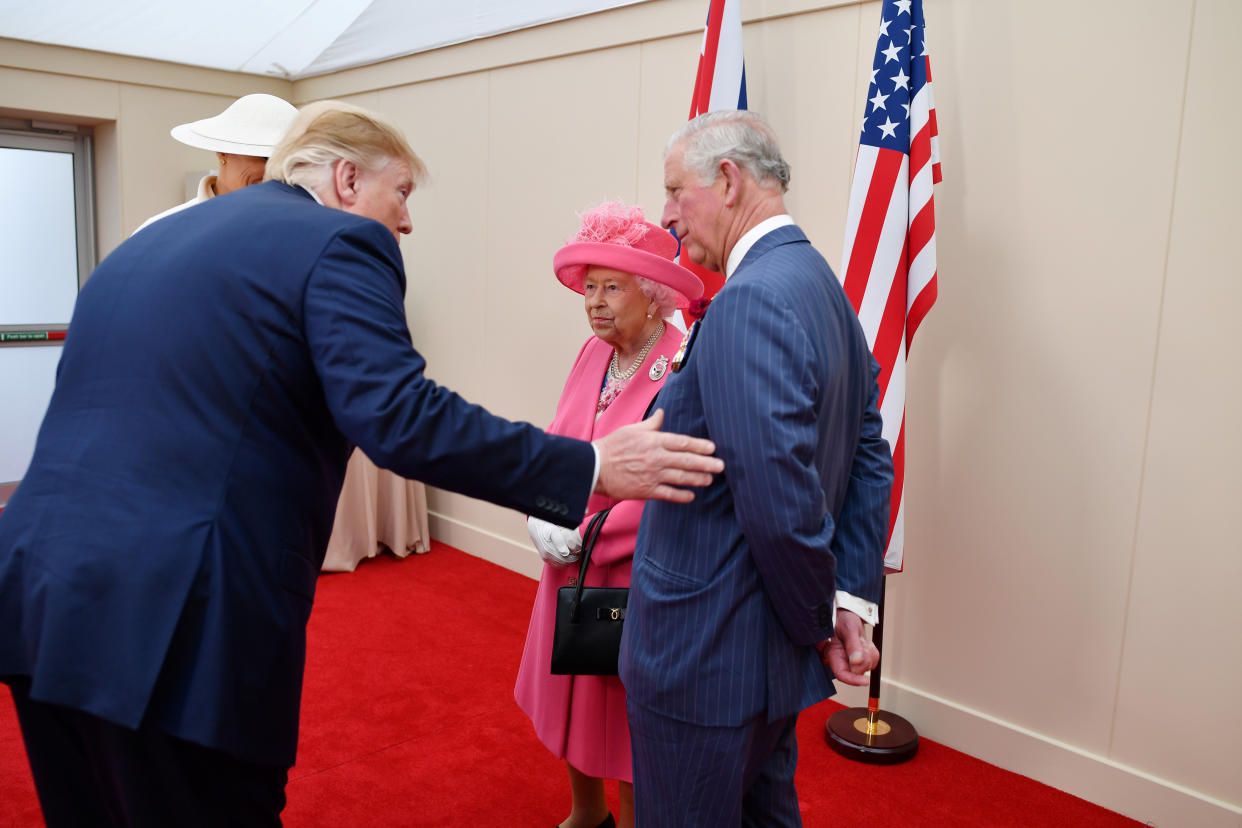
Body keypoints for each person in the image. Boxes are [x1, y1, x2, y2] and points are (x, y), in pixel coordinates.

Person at [0, 100, 723, 828]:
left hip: (37, 593)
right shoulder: (339, 240)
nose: (406, 222)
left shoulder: (147, 244)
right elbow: (400, 417)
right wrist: (590, 466)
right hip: (172, 610)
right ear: (347, 180)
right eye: (402, 192)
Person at [618, 110, 894, 826]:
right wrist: (848, 598)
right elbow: (870, 447)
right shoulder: (819, 283)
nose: (669, 213)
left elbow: (778, 500)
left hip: (705, 657)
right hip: (757, 659)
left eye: (677, 191)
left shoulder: (749, 300)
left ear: (730, 181)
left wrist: (819, 623)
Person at [515, 202, 703, 828]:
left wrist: (586, 532)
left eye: (610, 287)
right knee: (569, 695)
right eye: (589, 287)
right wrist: (541, 506)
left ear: (653, 297)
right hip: (565, 561)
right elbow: (561, 437)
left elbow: (667, 476)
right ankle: (585, 812)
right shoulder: (592, 353)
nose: (593, 301)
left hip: (630, 571)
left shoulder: (679, 365)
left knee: (622, 719)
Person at [133, 92, 298, 232]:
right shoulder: (164, 230)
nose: (276, 172)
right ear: (223, 152)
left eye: (289, 162)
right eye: (266, 158)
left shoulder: (299, 229)